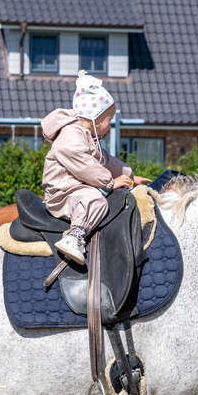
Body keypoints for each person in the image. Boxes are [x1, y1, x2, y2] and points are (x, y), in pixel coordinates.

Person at [41, 70, 149, 264]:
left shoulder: (88, 136)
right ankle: (75, 237)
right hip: (62, 192)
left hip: (74, 187)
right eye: (109, 120)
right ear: (97, 120)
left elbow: (104, 160)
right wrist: (109, 182)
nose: (110, 126)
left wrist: (131, 177)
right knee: (96, 200)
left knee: (96, 196)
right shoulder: (70, 136)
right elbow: (85, 165)